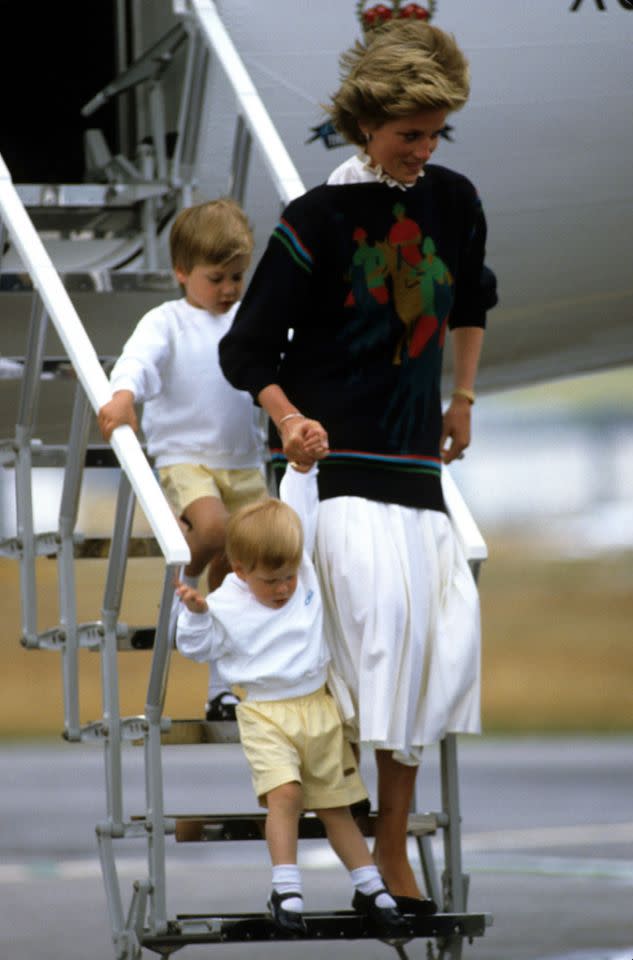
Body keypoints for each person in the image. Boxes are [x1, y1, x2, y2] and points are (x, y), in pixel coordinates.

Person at [217, 20, 498, 906]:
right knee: (369, 648)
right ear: (363, 125)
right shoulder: (318, 219)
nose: (422, 149)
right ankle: (370, 855)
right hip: (333, 466)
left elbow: (473, 297)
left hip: (418, 461)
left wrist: (463, 397)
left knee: (428, 654)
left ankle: (389, 844)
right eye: (407, 133)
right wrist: (290, 418)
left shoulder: (453, 200)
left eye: (433, 132)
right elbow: (248, 349)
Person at [174, 464, 412, 938]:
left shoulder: (302, 576)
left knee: (336, 805)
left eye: (288, 576)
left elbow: (298, 508)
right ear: (240, 570)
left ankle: (369, 885)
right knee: (285, 795)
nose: (283, 588)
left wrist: (302, 468)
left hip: (318, 707)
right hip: (266, 713)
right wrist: (198, 615)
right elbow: (196, 648)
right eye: (271, 581)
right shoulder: (225, 603)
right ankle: (286, 885)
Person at [97, 199, 268, 721]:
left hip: (244, 465)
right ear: (181, 272)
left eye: (238, 276)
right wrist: (123, 394)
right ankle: (180, 586)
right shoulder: (167, 321)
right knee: (212, 529)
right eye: (216, 277)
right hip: (185, 461)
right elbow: (139, 362)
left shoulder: (249, 320)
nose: (229, 289)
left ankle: (223, 688)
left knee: (242, 575)